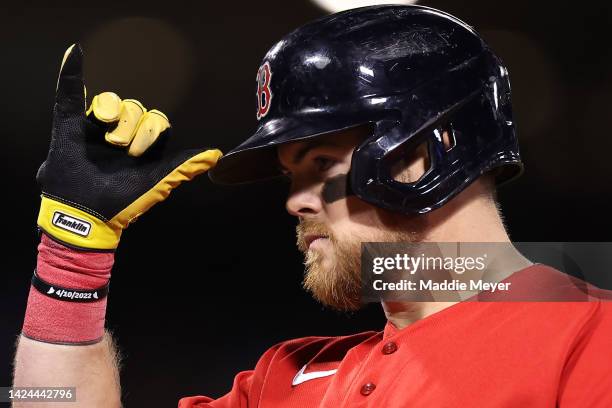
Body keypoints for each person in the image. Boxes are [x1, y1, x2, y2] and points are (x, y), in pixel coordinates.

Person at [13, 5, 611, 407]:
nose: (296, 202)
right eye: (289, 174)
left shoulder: (590, 338)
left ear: (426, 153)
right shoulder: (285, 380)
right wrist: (74, 252)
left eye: (322, 164)